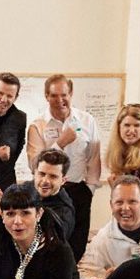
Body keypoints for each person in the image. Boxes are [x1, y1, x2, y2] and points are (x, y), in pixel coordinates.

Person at [26, 74, 103, 261]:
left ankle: (71, 277)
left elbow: (93, 158)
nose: (60, 100)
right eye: (54, 95)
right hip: (49, 195)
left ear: (71, 94)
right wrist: (60, 143)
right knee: (49, 247)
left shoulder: (87, 121)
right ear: (46, 96)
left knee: (77, 246)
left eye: (64, 95)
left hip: (78, 190)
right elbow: (34, 164)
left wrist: (90, 189)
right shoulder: (37, 126)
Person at [32, 150, 77, 242]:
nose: (45, 181)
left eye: (53, 176)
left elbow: (45, 245)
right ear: (35, 173)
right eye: (42, 174)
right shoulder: (26, 188)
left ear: (63, 181)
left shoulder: (63, 214)